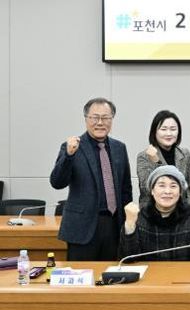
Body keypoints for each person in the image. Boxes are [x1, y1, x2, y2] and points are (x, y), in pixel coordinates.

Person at [50, 97, 132, 260]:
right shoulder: (72, 147)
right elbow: (57, 182)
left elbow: (125, 189)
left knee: (111, 273)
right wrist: (68, 156)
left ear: (112, 120)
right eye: (95, 117)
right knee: (81, 274)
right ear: (86, 119)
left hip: (113, 226)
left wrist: (127, 222)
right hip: (83, 227)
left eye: (105, 118)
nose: (100, 122)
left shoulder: (119, 148)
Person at [119, 166, 190, 260]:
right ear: (152, 190)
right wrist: (129, 225)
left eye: (173, 186)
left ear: (180, 192)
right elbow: (128, 260)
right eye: (161, 185)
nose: (167, 191)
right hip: (149, 269)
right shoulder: (139, 218)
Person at [137, 110, 190, 210]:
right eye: (163, 129)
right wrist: (157, 162)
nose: (169, 133)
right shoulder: (144, 156)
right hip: (153, 214)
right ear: (155, 132)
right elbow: (146, 188)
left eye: (173, 129)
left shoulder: (185, 154)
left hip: (182, 214)